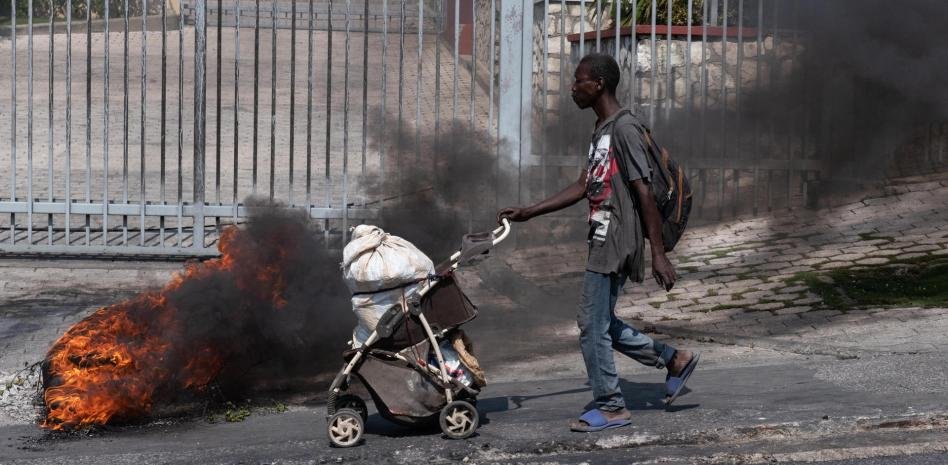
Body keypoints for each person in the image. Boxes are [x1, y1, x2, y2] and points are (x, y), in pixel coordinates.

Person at [497, 53, 699, 432]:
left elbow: (644, 192)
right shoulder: (602, 128)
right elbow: (582, 185)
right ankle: (675, 361)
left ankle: (611, 405)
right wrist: (530, 211)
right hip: (603, 235)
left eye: (579, 80)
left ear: (599, 84)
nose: (573, 87)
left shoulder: (623, 129)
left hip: (616, 240)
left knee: (591, 324)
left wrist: (657, 253)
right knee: (600, 321)